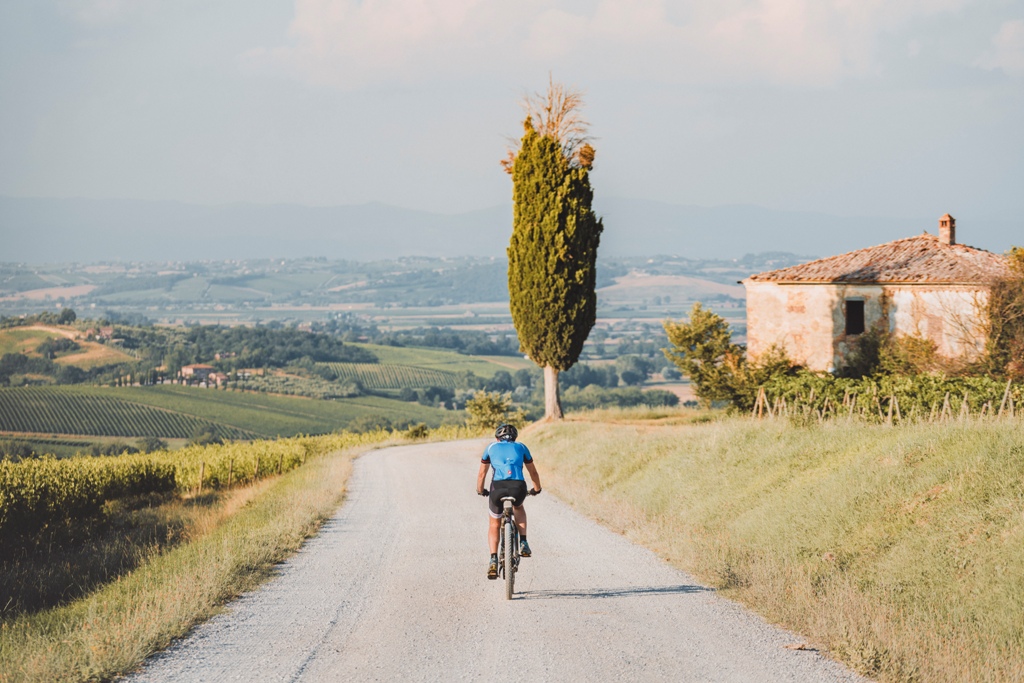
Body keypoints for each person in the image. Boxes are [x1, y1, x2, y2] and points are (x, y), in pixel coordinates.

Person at [476, 423, 541, 579]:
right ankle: (524, 542)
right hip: (518, 487)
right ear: (514, 437)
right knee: (518, 507)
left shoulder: (491, 448)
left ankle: (493, 559)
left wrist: (480, 490)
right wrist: (536, 489)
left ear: (498, 438)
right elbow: (533, 472)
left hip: (497, 488)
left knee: (494, 523)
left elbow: (481, 475)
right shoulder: (522, 447)